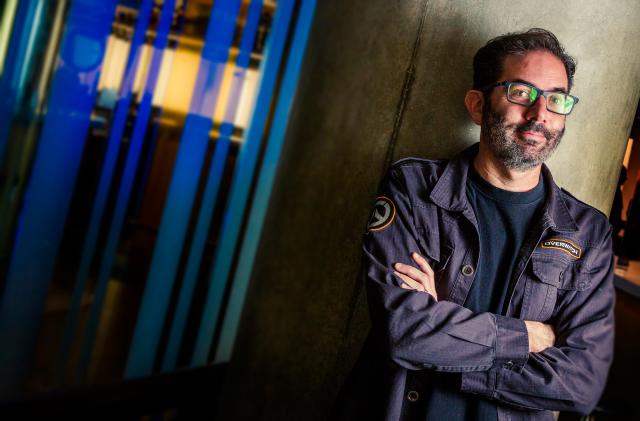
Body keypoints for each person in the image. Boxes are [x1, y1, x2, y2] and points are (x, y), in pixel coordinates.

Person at [335, 29, 615, 421]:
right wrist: (528, 338)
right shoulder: (415, 189)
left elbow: (581, 384)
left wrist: (443, 340)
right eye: (521, 93)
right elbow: (406, 331)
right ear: (478, 105)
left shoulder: (587, 233)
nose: (540, 115)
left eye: (556, 99)